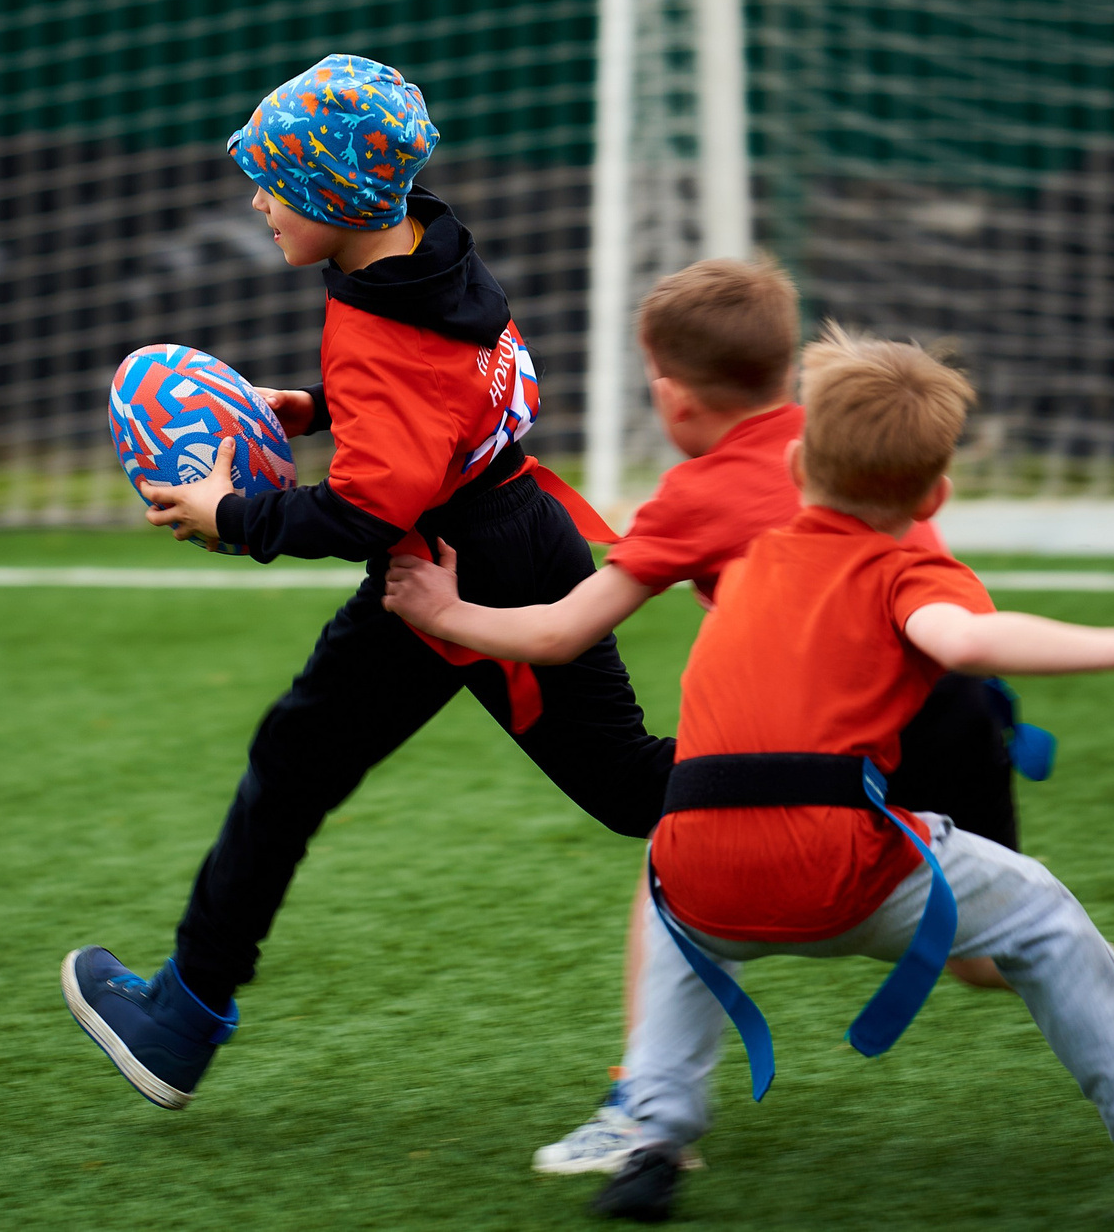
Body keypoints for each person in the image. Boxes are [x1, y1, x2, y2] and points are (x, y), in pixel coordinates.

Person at [61, 54, 673, 1111]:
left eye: (273, 185)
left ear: (332, 197)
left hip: (449, 572)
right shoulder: (431, 254)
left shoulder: (381, 329)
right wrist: (321, 407)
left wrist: (232, 514)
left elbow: (364, 511)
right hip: (514, 529)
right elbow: (441, 401)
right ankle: (840, 761)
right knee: (615, 782)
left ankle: (180, 1017)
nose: (257, 203)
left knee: (308, 764)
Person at [383, 256, 1037, 1181]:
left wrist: (444, 611)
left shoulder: (700, 494)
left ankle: (644, 1113)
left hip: (837, 723)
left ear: (671, 394)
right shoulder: (838, 432)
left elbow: (562, 633)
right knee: (991, 953)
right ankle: (1108, 994)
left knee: (675, 869)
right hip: (951, 706)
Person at [591, 326, 1114, 1223]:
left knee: (671, 903)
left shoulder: (745, 568)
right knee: (1043, 912)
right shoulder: (908, 568)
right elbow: (966, 641)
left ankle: (652, 1145)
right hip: (842, 867)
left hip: (698, 869)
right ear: (937, 494)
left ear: (795, 463)